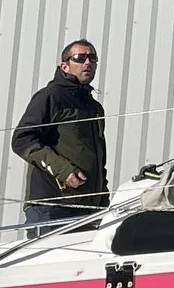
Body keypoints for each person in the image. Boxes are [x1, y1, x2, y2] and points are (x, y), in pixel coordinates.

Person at [10, 38, 108, 229]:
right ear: (64, 66)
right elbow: (22, 139)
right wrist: (64, 170)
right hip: (52, 206)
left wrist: (103, 201)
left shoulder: (94, 107)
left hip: (88, 209)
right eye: (80, 58)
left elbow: (99, 158)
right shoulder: (51, 96)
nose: (87, 62)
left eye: (92, 58)